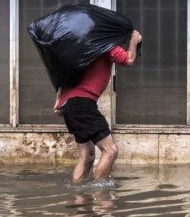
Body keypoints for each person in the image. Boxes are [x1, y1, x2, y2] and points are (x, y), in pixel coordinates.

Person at [54, 30, 142, 184]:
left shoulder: (81, 48)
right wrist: (134, 41)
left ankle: (78, 196)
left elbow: (62, 75)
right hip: (82, 104)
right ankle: (101, 196)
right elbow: (128, 59)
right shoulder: (106, 45)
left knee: (87, 155)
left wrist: (59, 100)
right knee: (110, 151)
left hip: (70, 105)